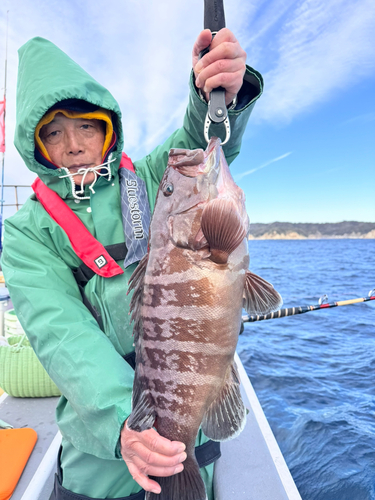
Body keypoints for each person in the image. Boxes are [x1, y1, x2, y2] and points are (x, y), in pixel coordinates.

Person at [1, 27, 263, 500]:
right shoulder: (26, 231)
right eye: (54, 132)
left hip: (190, 433)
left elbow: (201, 141)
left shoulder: (149, 177)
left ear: (107, 128)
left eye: (86, 126)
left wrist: (217, 90)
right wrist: (125, 418)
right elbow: (60, 332)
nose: (75, 144)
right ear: (35, 145)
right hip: (100, 449)